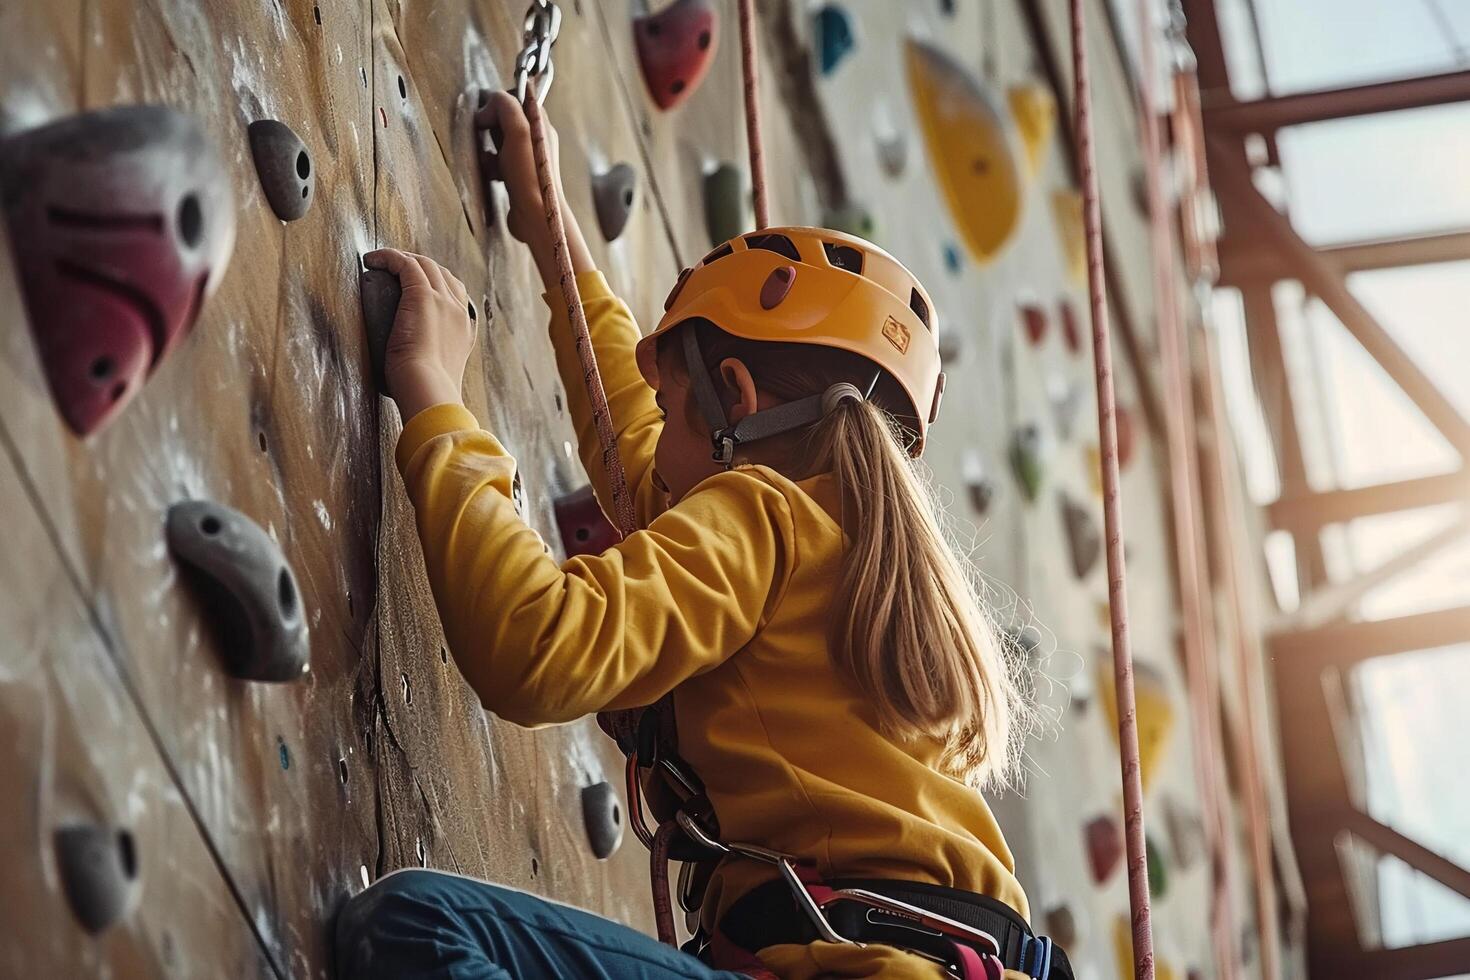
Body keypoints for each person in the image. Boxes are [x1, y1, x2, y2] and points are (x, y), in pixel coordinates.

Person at [336, 92, 1064, 980]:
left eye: (678, 400)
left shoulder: (764, 515)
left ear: (737, 399)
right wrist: (554, 233)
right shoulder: (865, 567)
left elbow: (533, 645)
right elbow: (633, 444)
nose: (659, 463)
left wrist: (432, 393)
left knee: (416, 930)